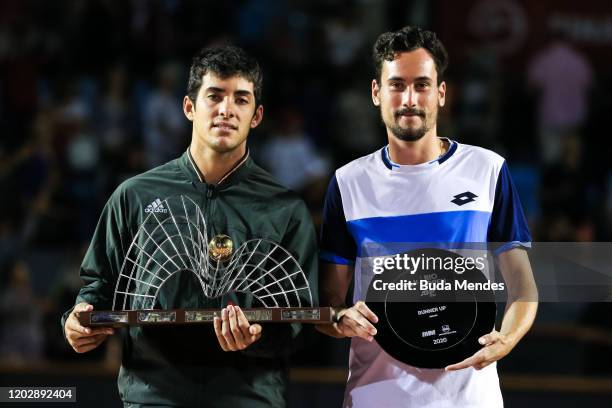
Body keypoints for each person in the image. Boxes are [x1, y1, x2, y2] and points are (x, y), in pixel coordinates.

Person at [62, 45, 318, 408]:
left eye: (241, 100)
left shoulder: (286, 209)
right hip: (153, 398)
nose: (227, 109)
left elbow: (303, 318)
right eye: (214, 96)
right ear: (189, 107)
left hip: (248, 398)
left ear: (257, 115)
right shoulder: (133, 196)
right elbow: (96, 287)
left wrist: (258, 337)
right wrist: (77, 319)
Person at [316, 26, 538, 407]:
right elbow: (330, 302)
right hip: (378, 396)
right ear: (376, 93)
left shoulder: (488, 169)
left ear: (441, 93)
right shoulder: (347, 182)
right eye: (396, 85)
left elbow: (523, 285)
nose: (409, 98)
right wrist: (338, 318)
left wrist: (509, 337)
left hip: (469, 397)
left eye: (421, 85)